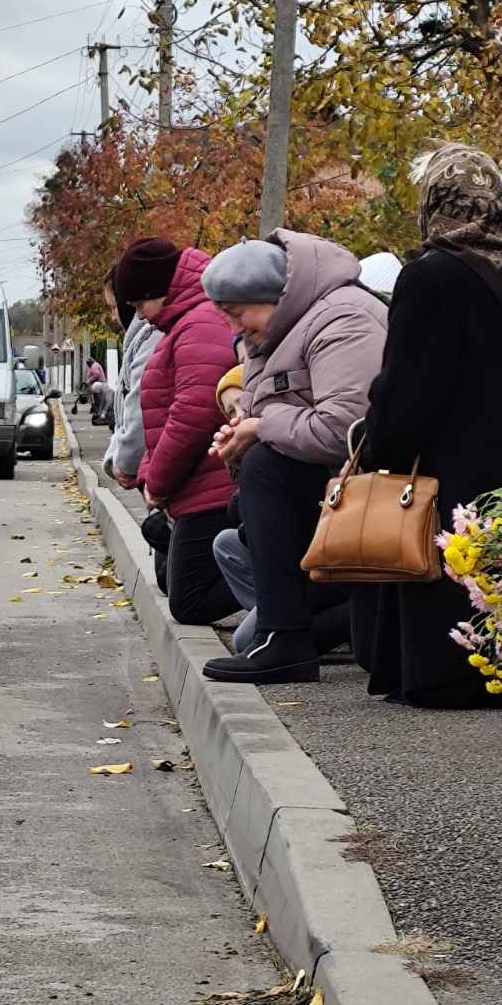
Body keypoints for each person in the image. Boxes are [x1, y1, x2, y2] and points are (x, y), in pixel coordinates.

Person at [350, 144, 502, 707]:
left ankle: (437, 676)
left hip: (448, 474)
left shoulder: (429, 278)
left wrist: (378, 441)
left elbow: (408, 388)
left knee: (437, 587)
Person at [193, 234, 388, 683]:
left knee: (266, 467)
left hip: (367, 496)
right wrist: (245, 427)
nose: (235, 330)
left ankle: (286, 637)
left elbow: (344, 430)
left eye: (238, 314)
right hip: (334, 491)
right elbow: (283, 412)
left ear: (275, 295)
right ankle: (283, 634)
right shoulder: (288, 326)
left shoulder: (344, 318)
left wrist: (261, 428)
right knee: (259, 471)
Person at [113, 236, 241, 626]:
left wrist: (159, 482)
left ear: (162, 291)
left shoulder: (199, 324)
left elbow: (192, 416)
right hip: (201, 483)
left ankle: (301, 599)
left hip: (211, 485)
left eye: (140, 304)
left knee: (190, 601)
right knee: (180, 588)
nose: (140, 316)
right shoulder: (189, 323)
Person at [102, 268, 164, 488]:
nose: (113, 316)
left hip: (161, 473)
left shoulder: (151, 338)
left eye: (113, 307)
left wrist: (124, 462)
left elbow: (140, 406)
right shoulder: (141, 339)